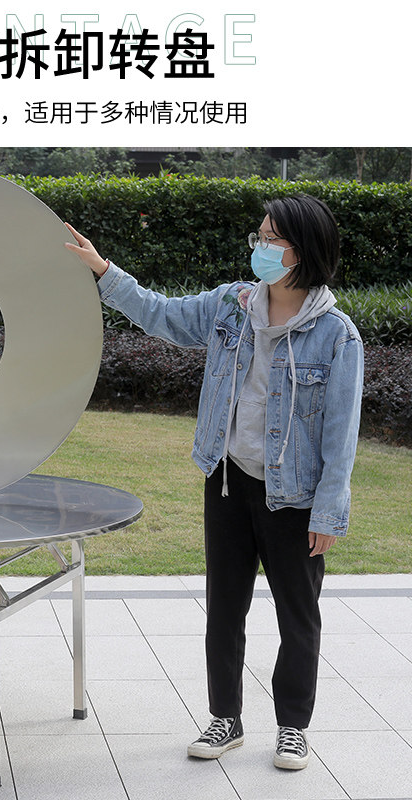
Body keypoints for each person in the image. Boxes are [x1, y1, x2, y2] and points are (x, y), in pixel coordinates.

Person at [65, 194, 363, 770]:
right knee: (225, 610)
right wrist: (103, 270)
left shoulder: (336, 335)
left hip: (294, 498)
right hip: (228, 482)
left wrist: (328, 512)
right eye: (259, 237)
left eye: (272, 240)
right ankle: (225, 718)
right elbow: (162, 314)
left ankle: (293, 727)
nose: (260, 248)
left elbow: (340, 434)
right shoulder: (232, 304)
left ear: (303, 250)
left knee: (298, 618)